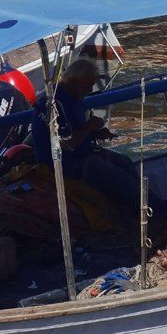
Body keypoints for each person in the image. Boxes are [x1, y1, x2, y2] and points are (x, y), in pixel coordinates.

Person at [29, 58, 145, 220]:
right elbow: (65, 143)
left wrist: (95, 133)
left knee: (125, 162)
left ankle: (136, 208)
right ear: (74, 82)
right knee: (119, 179)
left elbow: (75, 131)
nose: (90, 90)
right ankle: (151, 210)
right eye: (87, 85)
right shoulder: (53, 103)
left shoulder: (73, 97)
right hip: (63, 164)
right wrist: (90, 126)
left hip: (82, 153)